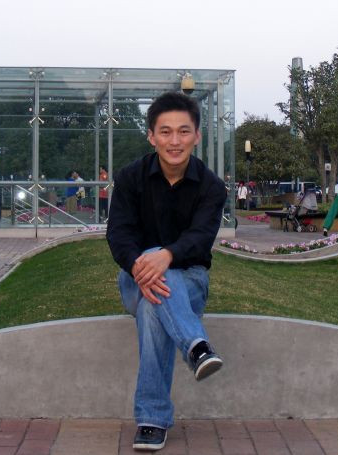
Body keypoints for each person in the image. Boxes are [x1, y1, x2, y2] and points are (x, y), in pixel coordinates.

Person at [106, 92, 226, 451]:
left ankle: (152, 420)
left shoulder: (211, 187)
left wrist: (167, 255)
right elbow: (118, 234)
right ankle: (196, 346)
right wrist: (143, 264)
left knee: (152, 308)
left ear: (197, 136)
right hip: (135, 278)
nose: (175, 141)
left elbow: (200, 238)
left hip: (191, 282)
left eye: (184, 131)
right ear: (151, 136)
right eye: (166, 131)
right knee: (150, 271)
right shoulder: (130, 178)